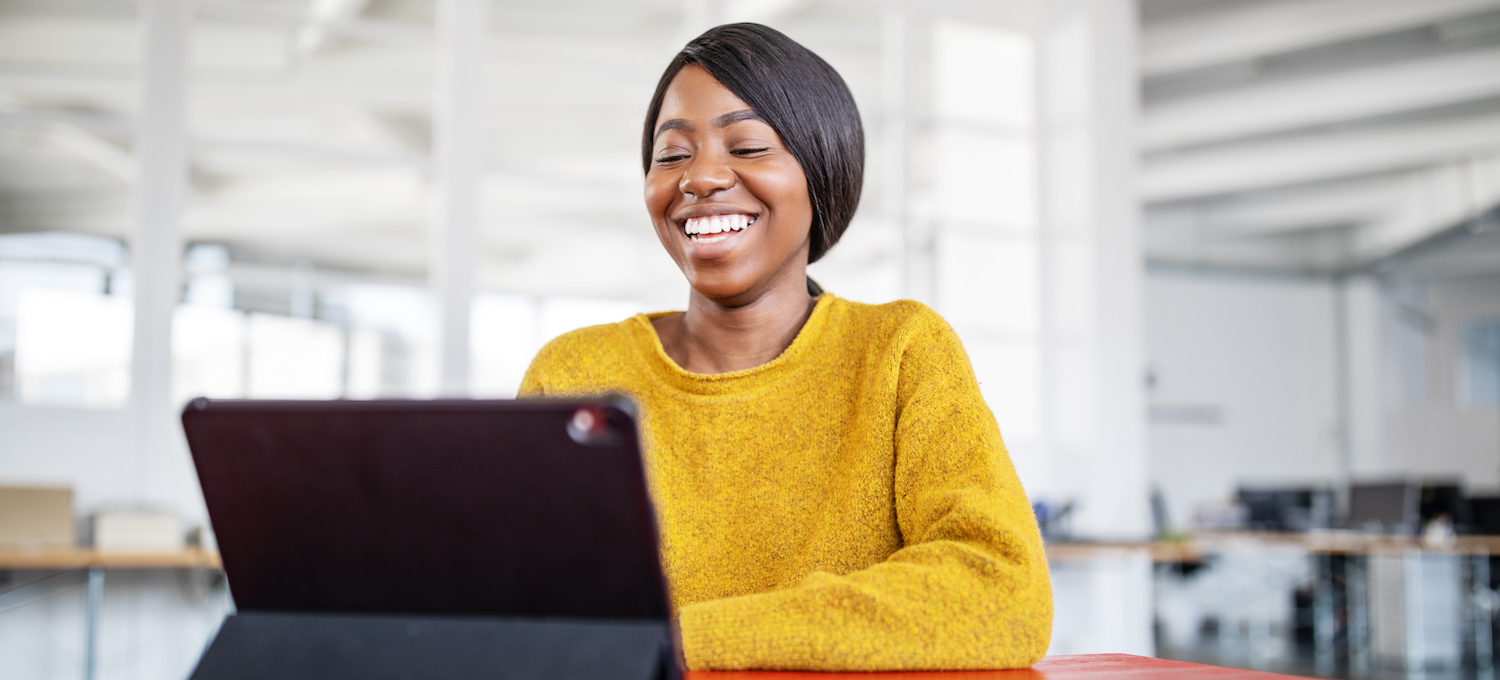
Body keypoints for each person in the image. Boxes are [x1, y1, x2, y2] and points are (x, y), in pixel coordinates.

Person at [519, 23, 1051, 671]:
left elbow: (1000, 591)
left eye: (746, 145)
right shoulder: (576, 371)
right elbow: (519, 605)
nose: (702, 178)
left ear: (821, 171)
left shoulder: (901, 350)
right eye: (672, 154)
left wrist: (687, 641)